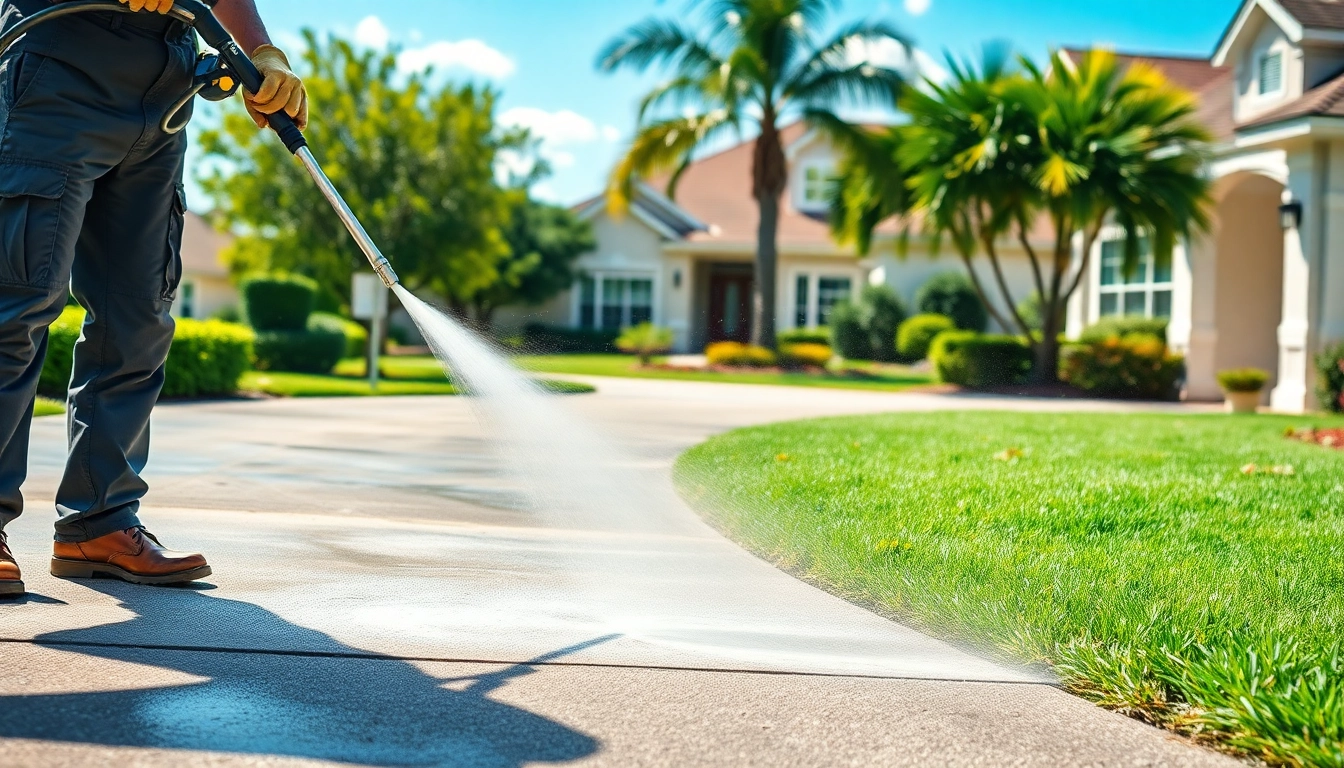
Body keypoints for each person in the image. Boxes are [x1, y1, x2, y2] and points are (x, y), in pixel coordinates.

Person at [0, 0, 306, 598]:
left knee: (138, 317)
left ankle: (100, 522)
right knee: (17, 304)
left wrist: (260, 53)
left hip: (164, 90)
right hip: (60, 61)